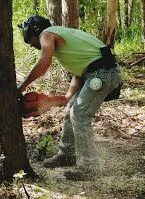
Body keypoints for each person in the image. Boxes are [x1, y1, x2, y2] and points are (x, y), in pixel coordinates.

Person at [17, 15, 122, 180]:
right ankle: (66, 155)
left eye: (29, 38)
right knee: (70, 111)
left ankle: (89, 168)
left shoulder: (47, 34)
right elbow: (80, 71)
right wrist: (67, 97)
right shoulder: (62, 35)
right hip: (95, 72)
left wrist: (22, 86)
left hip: (103, 73)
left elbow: (44, 62)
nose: (30, 44)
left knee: (79, 115)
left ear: (34, 31)